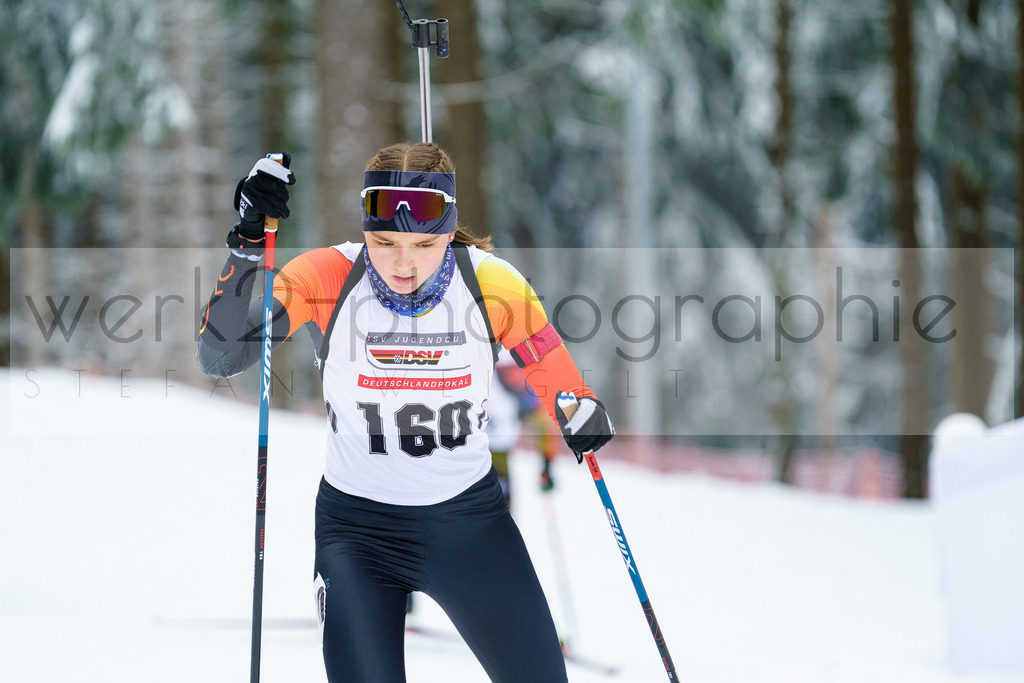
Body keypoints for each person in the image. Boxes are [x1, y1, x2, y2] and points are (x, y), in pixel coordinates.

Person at [196, 142, 614, 683]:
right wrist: (249, 242)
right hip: (357, 534)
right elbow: (221, 353)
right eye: (384, 241)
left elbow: (566, 389)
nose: (401, 262)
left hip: (469, 525)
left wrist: (582, 415)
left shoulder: (491, 284)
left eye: (423, 243)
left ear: (449, 229)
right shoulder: (328, 277)